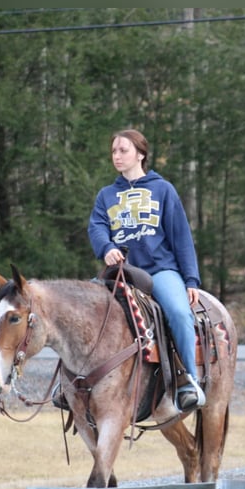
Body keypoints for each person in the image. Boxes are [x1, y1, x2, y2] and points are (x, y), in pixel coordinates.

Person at [87, 128, 205, 410]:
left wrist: (190, 279)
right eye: (114, 150)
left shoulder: (162, 189)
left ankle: (188, 381)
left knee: (177, 313)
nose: (117, 155)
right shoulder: (107, 195)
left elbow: (181, 237)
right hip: (123, 273)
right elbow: (97, 227)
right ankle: (73, 383)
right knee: (83, 311)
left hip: (159, 270)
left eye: (123, 150)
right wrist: (106, 248)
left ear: (140, 154)